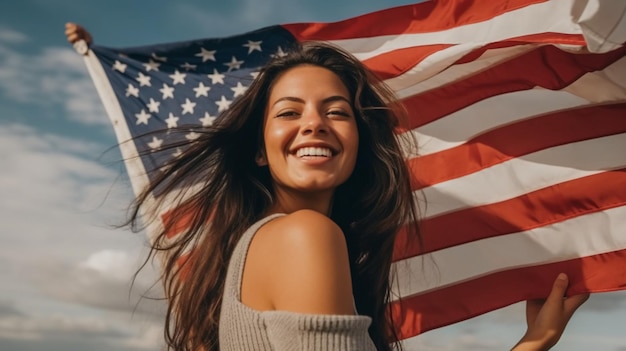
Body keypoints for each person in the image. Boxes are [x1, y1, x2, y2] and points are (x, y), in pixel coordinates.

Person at [66, 22, 589, 351]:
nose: (314, 124)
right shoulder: (304, 236)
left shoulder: (267, 246)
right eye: (290, 112)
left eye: (336, 112)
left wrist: (535, 341)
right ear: (258, 147)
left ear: (358, 143)